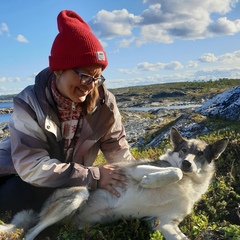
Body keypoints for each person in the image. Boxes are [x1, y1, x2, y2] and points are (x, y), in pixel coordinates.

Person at [0, 10, 134, 216]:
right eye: (84, 76)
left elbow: (118, 150)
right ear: (58, 69)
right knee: (16, 199)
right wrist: (94, 176)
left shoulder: (105, 104)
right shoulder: (29, 102)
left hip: (66, 178)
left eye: (97, 78)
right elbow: (32, 166)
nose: (91, 85)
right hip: (16, 173)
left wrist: (137, 178)